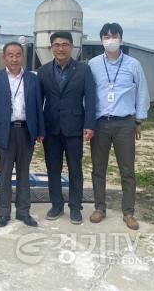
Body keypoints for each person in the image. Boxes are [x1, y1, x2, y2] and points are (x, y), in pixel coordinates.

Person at [88, 23, 150, 230]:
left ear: (121, 39)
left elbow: (142, 92)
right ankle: (99, 208)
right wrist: (87, 123)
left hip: (125, 123)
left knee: (127, 170)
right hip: (100, 123)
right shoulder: (93, 64)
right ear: (101, 40)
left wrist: (138, 120)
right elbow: (87, 95)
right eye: (106, 36)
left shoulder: (133, 64)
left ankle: (128, 212)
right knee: (98, 169)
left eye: (114, 36)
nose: (110, 40)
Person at [37, 31, 96, 225]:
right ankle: (56, 205)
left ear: (71, 47)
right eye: (56, 45)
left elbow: (90, 98)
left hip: (74, 128)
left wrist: (89, 124)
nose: (60, 48)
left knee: (75, 169)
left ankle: (75, 207)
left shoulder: (83, 70)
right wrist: (39, 128)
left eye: (64, 44)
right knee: (52, 169)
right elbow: (39, 102)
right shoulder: (43, 71)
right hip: (51, 128)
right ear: (51, 48)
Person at [0, 42, 45, 227]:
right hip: (4, 132)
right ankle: (4, 212)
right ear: (4, 58)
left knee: (24, 174)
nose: (14, 58)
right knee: (4, 175)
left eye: (18, 55)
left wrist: (40, 131)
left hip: (26, 131)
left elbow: (38, 106)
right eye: (10, 55)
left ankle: (23, 212)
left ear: (22, 57)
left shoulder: (32, 79)